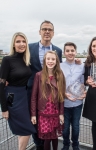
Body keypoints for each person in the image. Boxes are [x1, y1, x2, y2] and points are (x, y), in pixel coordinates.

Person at [27, 20, 62, 150]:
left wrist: (76, 62)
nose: (47, 31)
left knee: (51, 127)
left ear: (53, 33)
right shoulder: (30, 48)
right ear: (39, 32)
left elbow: (59, 70)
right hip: (33, 92)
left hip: (51, 98)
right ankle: (38, 146)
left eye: (50, 29)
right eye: (44, 29)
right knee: (35, 124)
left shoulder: (57, 51)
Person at [0, 32, 36, 150]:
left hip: (24, 96)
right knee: (27, 129)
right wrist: (4, 109)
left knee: (23, 130)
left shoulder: (26, 60)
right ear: (13, 44)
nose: (21, 44)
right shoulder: (7, 60)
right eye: (18, 41)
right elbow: (1, 85)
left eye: (24, 41)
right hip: (13, 98)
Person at [30, 51, 66, 150]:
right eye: (48, 59)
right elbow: (33, 96)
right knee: (46, 138)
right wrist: (33, 114)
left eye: (53, 59)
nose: (50, 61)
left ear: (56, 61)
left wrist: (61, 113)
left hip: (55, 111)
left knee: (54, 137)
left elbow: (61, 97)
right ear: (45, 60)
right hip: (44, 112)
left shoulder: (59, 75)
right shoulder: (38, 75)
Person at [60, 42, 85, 150]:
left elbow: (83, 83)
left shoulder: (81, 66)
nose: (70, 53)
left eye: (72, 50)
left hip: (77, 102)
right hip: (64, 103)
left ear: (76, 52)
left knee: (75, 126)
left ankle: (75, 145)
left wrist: (84, 92)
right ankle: (66, 145)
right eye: (68, 50)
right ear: (64, 52)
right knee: (65, 128)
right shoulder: (59, 66)